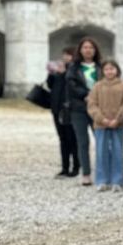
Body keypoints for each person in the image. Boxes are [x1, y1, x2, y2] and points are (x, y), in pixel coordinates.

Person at [86, 59, 123, 192]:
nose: (109, 71)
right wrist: (101, 119)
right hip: (101, 125)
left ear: (117, 70)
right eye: (106, 69)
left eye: (112, 69)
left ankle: (117, 180)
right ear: (102, 71)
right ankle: (102, 180)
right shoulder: (97, 86)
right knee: (101, 151)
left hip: (118, 124)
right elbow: (92, 105)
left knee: (117, 151)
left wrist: (117, 119)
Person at [65, 37, 102, 186]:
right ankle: (86, 173)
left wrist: (95, 97)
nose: (88, 50)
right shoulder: (73, 67)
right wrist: (85, 95)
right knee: (83, 142)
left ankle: (102, 171)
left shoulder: (101, 66)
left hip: (98, 108)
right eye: (85, 47)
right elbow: (71, 84)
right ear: (80, 50)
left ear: (95, 50)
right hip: (78, 108)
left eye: (91, 47)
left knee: (100, 140)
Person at [47, 46, 79, 178]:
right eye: (64, 55)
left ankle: (76, 166)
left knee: (72, 138)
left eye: (68, 55)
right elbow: (50, 85)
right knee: (62, 139)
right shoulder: (58, 71)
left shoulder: (75, 70)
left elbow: (73, 85)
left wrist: (64, 73)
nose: (65, 58)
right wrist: (52, 73)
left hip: (69, 109)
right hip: (56, 108)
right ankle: (64, 167)